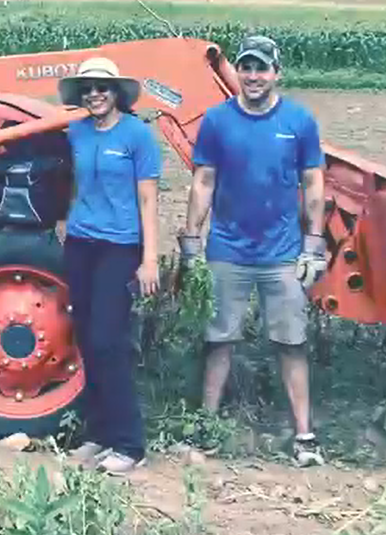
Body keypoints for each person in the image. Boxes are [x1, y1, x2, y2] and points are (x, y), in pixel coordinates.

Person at [178, 34, 328, 467]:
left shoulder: (299, 121)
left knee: (291, 341)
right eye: (246, 67)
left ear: (276, 72)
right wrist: (192, 239)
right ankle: (207, 428)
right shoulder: (218, 121)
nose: (253, 76)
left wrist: (313, 244)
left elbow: (313, 182)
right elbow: (204, 181)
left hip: (282, 254)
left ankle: (304, 435)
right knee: (219, 339)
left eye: (262, 68)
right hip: (227, 250)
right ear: (238, 72)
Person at [52, 57, 162, 477]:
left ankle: (130, 444)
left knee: (108, 341)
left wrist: (149, 258)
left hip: (120, 246)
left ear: (117, 93)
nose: (95, 94)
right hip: (81, 243)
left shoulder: (137, 135)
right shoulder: (77, 132)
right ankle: (98, 434)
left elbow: (149, 199)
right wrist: (65, 225)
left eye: (102, 87)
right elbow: (73, 183)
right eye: (88, 88)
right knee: (85, 337)